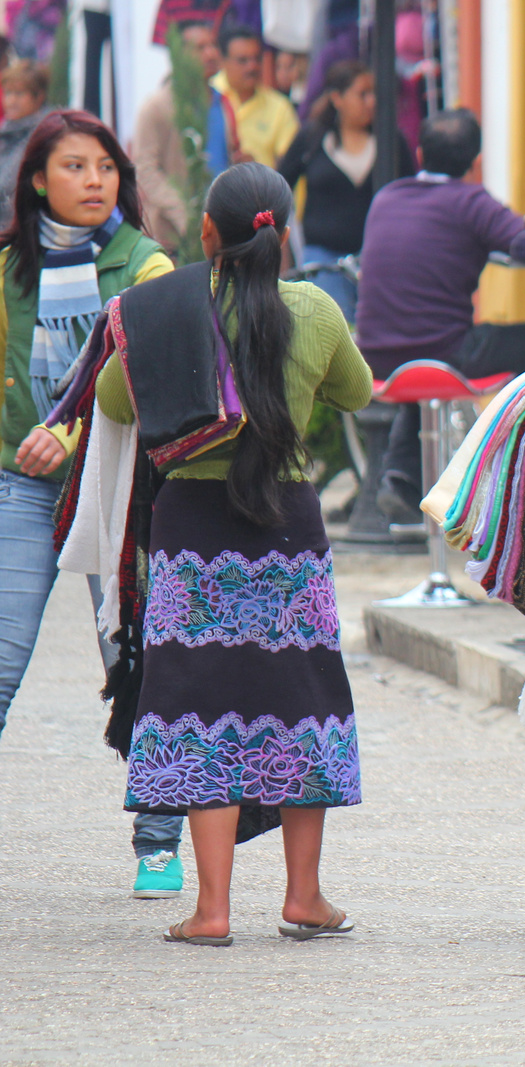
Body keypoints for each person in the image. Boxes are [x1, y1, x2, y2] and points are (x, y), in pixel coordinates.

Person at [94, 162, 372, 946]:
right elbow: (361, 391)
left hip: (191, 526)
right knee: (302, 698)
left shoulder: (171, 310)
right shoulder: (314, 309)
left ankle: (211, 910)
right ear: (279, 233)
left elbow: (117, 400)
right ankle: (303, 896)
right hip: (286, 523)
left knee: (195, 702)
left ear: (207, 234)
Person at [0, 111, 175, 891]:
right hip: (20, 486)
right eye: (74, 167)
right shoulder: (7, 270)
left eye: (105, 167)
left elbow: (151, 381)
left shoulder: (147, 268)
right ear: (38, 178)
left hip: (116, 489)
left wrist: (68, 434)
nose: (95, 180)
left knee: (139, 662)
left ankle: (161, 842)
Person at [356, 108, 525, 523]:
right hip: (443, 355)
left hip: (377, 358)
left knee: (423, 337)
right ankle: (516, 477)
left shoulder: (387, 197)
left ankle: (402, 477)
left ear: (419, 153)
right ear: (474, 164)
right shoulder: (471, 201)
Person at [277, 59, 413, 320]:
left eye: (374, 94)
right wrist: (279, 249)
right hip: (323, 260)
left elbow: (411, 196)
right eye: (362, 94)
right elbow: (278, 187)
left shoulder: (391, 142)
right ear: (337, 98)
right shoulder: (312, 139)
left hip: (379, 260)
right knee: (331, 329)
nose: (371, 102)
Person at [131, 20, 228, 254]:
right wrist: (184, 215)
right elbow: (145, 169)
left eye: (213, 45)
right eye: (200, 47)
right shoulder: (156, 107)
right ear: (179, 55)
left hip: (222, 230)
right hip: (177, 238)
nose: (211, 53)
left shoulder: (223, 102)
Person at [211, 25, 298, 169]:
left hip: (261, 190)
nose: (252, 67)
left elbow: (291, 164)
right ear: (223, 61)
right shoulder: (209, 96)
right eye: (243, 60)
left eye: (256, 59)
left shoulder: (279, 107)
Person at [0, 60, 48, 229]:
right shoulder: (5, 133)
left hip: (22, 231)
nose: (11, 101)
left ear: (38, 97)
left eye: (19, 94)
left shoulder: (42, 137)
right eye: (8, 93)